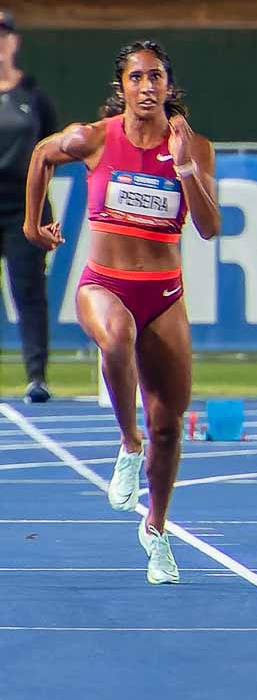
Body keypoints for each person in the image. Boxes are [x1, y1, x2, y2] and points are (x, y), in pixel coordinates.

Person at [24, 41, 221, 585]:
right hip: (104, 283)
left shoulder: (194, 147)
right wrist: (31, 222)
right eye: (137, 77)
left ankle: (156, 529)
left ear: (168, 85)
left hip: (164, 292)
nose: (147, 86)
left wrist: (184, 170)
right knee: (115, 337)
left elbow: (208, 227)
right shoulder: (95, 138)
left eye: (156, 76)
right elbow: (41, 153)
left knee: (170, 425)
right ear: (123, 87)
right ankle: (126, 442)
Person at [0, 11, 58, 402]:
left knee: (29, 292)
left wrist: (39, 205)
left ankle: (36, 376)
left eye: (4, 36)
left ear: (15, 42)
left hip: (22, 206)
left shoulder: (33, 95)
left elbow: (52, 150)